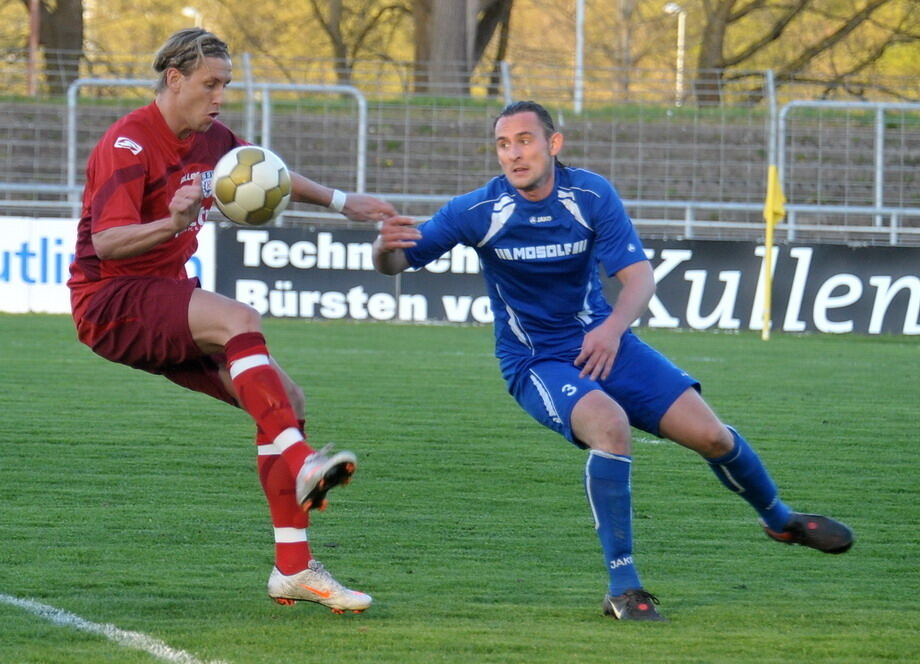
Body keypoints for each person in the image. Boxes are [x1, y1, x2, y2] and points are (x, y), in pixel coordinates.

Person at [372, 100, 854, 621]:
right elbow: (396, 261)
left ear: (554, 144)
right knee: (610, 426)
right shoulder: (477, 210)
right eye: (503, 144)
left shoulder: (591, 194)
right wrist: (383, 248)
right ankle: (624, 588)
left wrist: (610, 329)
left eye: (525, 140)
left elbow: (639, 278)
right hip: (537, 362)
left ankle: (780, 520)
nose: (514, 154)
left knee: (713, 436)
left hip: (608, 342)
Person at [67, 28, 394, 614]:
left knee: (286, 401)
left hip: (165, 296)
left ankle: (293, 569)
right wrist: (173, 222)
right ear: (174, 79)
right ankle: (302, 462)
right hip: (111, 301)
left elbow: (267, 175)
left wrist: (346, 204)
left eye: (226, 84)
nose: (220, 95)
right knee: (238, 317)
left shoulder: (211, 139)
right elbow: (110, 241)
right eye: (210, 83)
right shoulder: (128, 143)